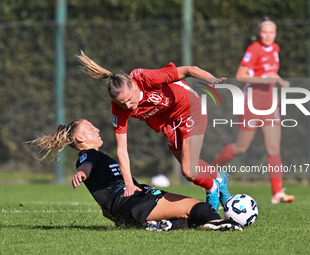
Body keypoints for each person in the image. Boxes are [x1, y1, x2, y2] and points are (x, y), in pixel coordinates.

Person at [76, 51, 230, 211]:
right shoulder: (119, 109)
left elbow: (188, 70)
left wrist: (211, 79)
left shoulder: (146, 78)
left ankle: (212, 187)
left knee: (188, 170)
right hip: (169, 123)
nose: (128, 106)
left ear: (134, 86)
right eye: (122, 103)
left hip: (190, 108)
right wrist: (128, 183)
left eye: (128, 100)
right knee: (190, 168)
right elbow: (121, 149)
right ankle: (219, 177)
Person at [31, 119, 243, 231]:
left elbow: (106, 209)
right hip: (136, 200)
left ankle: (160, 226)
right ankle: (220, 223)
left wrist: (119, 218)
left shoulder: (95, 158)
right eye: (90, 127)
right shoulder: (89, 155)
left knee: (186, 220)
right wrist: (81, 172)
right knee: (199, 208)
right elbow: (86, 166)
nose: (97, 129)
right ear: (79, 137)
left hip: (126, 210)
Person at [212, 17, 295, 204]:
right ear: (259, 34)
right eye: (264, 32)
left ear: (275, 34)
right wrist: (268, 80)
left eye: (271, 32)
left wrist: (277, 82)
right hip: (251, 103)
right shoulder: (253, 49)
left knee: (274, 148)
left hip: (270, 104)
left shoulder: (275, 49)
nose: (268, 35)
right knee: (241, 147)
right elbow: (241, 76)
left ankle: (278, 193)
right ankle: (210, 170)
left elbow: (270, 73)